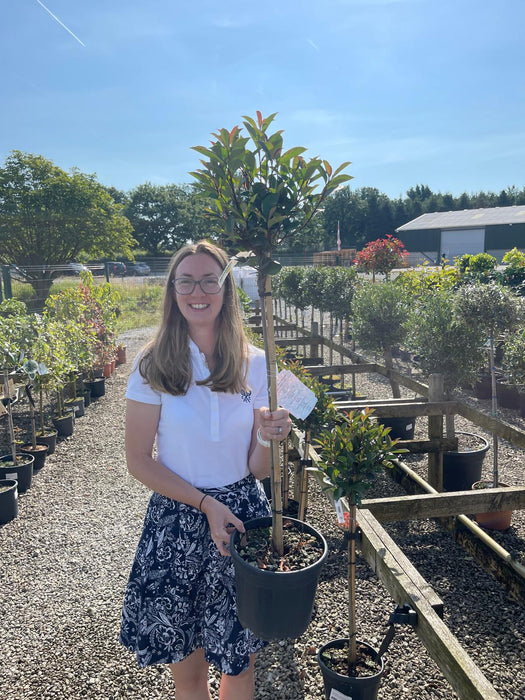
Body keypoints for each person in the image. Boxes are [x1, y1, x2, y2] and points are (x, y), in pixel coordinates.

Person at [119, 240, 291, 700]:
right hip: (178, 519)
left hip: (241, 521)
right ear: (173, 291)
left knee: (241, 662)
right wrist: (204, 502)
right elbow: (138, 460)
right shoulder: (152, 363)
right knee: (188, 669)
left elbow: (257, 469)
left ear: (226, 289)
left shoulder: (257, 364)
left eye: (209, 279)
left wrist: (270, 437)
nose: (199, 290)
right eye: (186, 280)